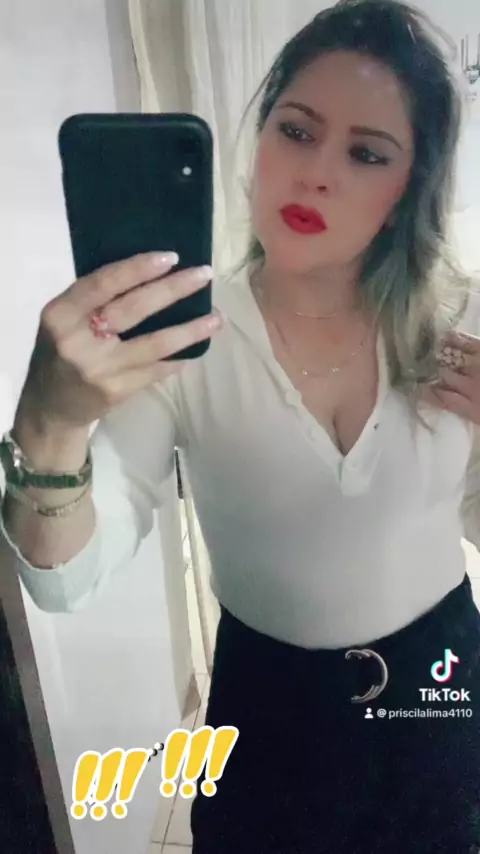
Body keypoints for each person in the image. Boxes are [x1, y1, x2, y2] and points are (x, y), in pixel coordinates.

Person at [2, 0, 480, 851]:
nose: (317, 173)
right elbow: (64, 581)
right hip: (269, 700)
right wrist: (50, 421)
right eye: (296, 131)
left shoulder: (462, 324)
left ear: (408, 188)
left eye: (367, 153)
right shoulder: (183, 337)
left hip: (439, 681)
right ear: (259, 140)